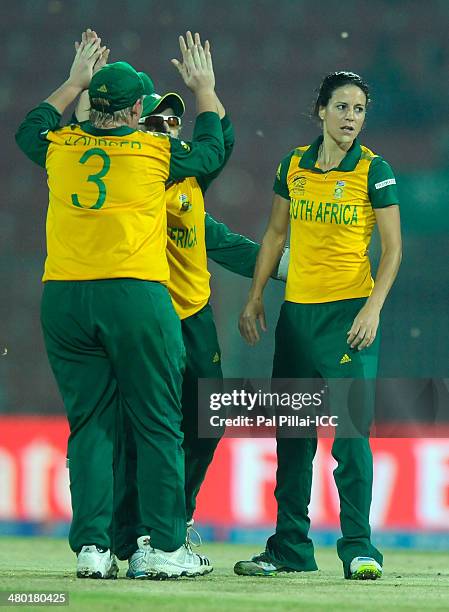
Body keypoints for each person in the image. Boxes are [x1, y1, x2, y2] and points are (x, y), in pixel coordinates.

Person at [15, 29, 225, 580]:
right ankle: (161, 548)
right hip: (133, 294)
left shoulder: (60, 147)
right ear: (137, 108)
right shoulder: (155, 150)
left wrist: (71, 80)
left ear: (91, 104)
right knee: (158, 423)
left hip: (63, 297)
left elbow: (28, 129)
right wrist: (204, 91)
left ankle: (93, 547)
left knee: (89, 425)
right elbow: (211, 151)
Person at [109, 32, 288, 578]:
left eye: (173, 121)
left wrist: (293, 271)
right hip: (150, 321)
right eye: (160, 121)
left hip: (195, 321)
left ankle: (171, 522)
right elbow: (219, 146)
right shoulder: (134, 188)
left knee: (204, 425)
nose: (170, 127)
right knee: (148, 430)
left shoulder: (186, 187)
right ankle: (132, 534)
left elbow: (223, 240)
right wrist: (206, 93)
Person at [236, 71, 402, 580]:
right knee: (293, 436)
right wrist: (256, 295)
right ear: (321, 112)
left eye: (359, 110)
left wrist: (372, 309)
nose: (352, 118)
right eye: (343, 107)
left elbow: (393, 249)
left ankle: (359, 549)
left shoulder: (375, 171)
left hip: (347, 319)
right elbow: (274, 233)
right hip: (296, 319)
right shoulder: (293, 165)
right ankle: (290, 548)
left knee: (352, 437)